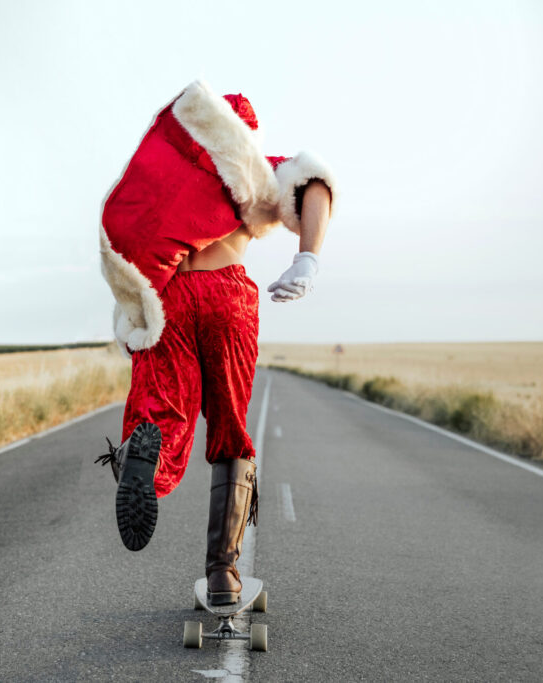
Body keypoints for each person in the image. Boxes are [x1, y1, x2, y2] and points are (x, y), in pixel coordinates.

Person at [96, 80, 335, 605]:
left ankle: (143, 452)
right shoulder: (256, 170)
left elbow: (130, 226)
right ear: (248, 133)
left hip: (174, 297)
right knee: (229, 429)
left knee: (164, 411)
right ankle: (224, 573)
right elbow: (315, 181)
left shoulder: (178, 173)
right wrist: (307, 257)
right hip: (229, 297)